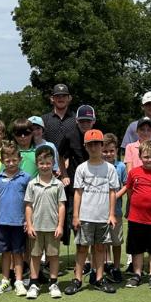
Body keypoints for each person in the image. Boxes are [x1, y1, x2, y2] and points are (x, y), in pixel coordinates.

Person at [65, 129, 120, 295]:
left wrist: (111, 214)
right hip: (85, 216)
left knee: (100, 248)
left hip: (103, 217)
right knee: (82, 248)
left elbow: (112, 192)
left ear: (102, 145)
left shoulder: (110, 168)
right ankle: (77, 279)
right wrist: (75, 215)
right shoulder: (82, 168)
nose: (94, 147)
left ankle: (99, 278)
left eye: (97, 144)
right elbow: (78, 193)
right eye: (90, 144)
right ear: (85, 147)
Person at [121, 140, 151, 289]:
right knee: (136, 248)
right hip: (136, 217)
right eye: (146, 157)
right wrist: (128, 209)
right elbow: (129, 191)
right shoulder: (134, 172)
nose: (149, 160)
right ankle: (137, 274)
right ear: (140, 156)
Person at [25, 145, 67, 299]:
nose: (45, 166)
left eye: (48, 163)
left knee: (53, 256)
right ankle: (34, 283)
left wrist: (60, 225)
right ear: (37, 164)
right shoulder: (31, 184)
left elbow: (61, 206)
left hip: (53, 227)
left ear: (53, 163)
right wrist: (29, 225)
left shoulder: (58, 184)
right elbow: (28, 206)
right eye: (41, 163)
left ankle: (53, 283)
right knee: (35, 256)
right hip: (36, 227)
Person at [0, 142, 31, 297]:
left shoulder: (26, 178)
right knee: (5, 253)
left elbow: (29, 202)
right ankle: (5, 279)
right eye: (7, 161)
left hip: (19, 222)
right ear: (2, 161)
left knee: (18, 252)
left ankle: (19, 281)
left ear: (19, 159)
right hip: (2, 222)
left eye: (14, 160)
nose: (11, 163)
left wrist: (28, 220)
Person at [57, 104, 97, 245]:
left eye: (88, 121)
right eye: (82, 121)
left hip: (94, 184)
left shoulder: (97, 136)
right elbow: (60, 155)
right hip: (75, 184)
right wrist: (64, 175)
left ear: (93, 121)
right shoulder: (69, 136)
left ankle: (93, 258)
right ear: (76, 121)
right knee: (75, 218)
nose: (85, 124)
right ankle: (82, 255)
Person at [101, 133, 126, 282]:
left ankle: (116, 267)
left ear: (116, 150)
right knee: (103, 241)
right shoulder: (98, 165)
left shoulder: (121, 166)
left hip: (115, 211)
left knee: (116, 241)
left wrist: (116, 196)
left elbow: (127, 184)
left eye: (111, 151)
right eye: (105, 151)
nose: (108, 154)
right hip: (100, 211)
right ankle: (105, 265)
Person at [41, 83, 76, 149]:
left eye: (64, 96)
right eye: (58, 96)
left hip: (71, 159)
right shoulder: (43, 119)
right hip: (49, 158)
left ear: (69, 98)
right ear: (52, 99)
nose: (61, 98)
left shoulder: (76, 119)